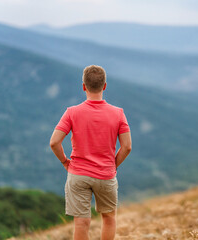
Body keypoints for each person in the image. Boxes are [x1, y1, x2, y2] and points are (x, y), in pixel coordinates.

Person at [49, 65, 132, 240]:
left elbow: (54, 142)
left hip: (78, 174)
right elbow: (127, 147)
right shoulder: (118, 114)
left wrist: (65, 162)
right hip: (106, 175)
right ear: (105, 86)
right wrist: (112, 165)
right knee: (109, 218)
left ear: (84, 86)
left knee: (81, 222)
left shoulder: (72, 113)